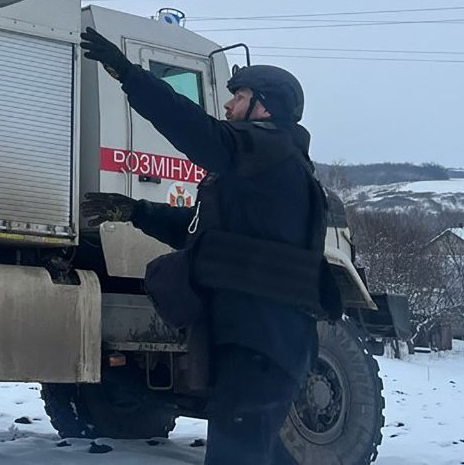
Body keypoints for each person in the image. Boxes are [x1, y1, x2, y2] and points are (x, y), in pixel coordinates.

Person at [79, 27, 338, 465]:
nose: (227, 104)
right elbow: (203, 232)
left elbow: (196, 130)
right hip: (259, 342)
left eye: (238, 97)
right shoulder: (260, 168)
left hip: (264, 343)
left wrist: (129, 74)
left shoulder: (271, 154)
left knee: (238, 453)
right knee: (256, 451)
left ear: (264, 107)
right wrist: (135, 211)